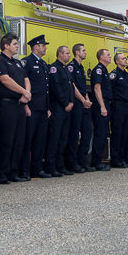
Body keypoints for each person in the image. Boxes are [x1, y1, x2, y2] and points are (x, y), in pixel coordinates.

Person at [0, 33, 31, 184]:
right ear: (6, 46)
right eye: (14, 43)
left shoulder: (18, 63)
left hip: (20, 104)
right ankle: (2, 173)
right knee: (7, 140)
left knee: (18, 140)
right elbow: (5, 80)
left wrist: (26, 95)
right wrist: (23, 91)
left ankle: (13, 171)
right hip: (6, 104)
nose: (17, 46)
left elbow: (26, 79)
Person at [23, 35, 53, 178]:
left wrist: (47, 107)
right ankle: (24, 170)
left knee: (40, 140)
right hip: (32, 107)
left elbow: (45, 88)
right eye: (43, 45)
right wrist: (26, 106)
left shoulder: (43, 64)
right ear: (36, 46)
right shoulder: (27, 62)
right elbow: (24, 86)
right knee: (28, 139)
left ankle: (37, 168)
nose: (45, 47)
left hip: (42, 108)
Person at [46, 45, 75, 176]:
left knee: (63, 138)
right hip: (58, 108)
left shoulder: (65, 69)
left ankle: (60, 165)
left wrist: (71, 102)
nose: (69, 56)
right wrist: (65, 103)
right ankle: (51, 167)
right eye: (67, 53)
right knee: (55, 138)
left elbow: (70, 87)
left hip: (67, 108)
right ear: (60, 54)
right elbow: (56, 88)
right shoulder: (54, 68)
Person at [66, 44, 93, 172]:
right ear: (77, 52)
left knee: (87, 132)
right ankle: (73, 163)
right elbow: (73, 86)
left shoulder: (81, 67)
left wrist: (87, 99)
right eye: (83, 50)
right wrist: (82, 100)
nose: (86, 52)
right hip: (77, 103)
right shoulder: (71, 67)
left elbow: (83, 87)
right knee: (74, 134)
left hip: (84, 104)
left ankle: (83, 161)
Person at [89, 49, 112, 172]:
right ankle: (96, 162)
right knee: (100, 133)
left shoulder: (104, 70)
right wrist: (102, 106)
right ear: (101, 57)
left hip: (106, 103)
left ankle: (98, 160)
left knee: (103, 134)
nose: (110, 57)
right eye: (108, 55)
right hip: (100, 105)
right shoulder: (98, 69)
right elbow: (97, 89)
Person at [109, 53, 128, 168]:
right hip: (118, 106)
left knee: (125, 133)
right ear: (117, 61)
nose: (125, 60)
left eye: (125, 58)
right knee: (117, 133)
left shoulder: (126, 74)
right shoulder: (114, 74)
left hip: (127, 106)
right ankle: (115, 159)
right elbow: (110, 90)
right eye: (123, 59)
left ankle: (123, 158)